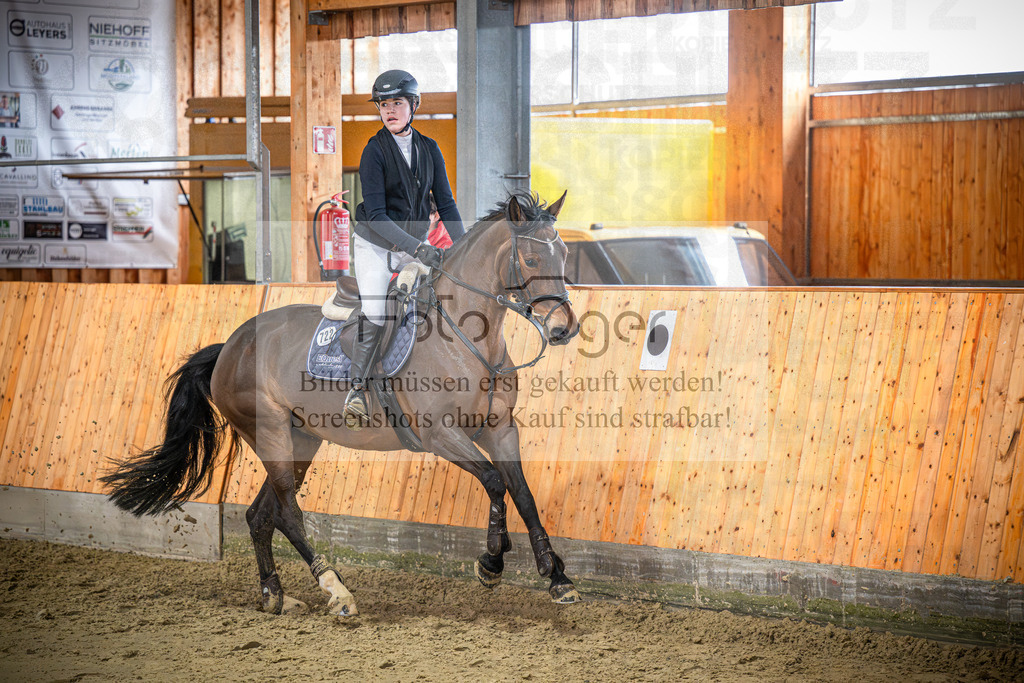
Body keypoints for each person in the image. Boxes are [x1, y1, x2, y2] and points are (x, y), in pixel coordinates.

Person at [344, 69, 465, 424]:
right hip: (376, 247)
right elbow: (377, 216)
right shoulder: (374, 151)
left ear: (413, 105)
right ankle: (357, 391)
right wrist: (418, 248)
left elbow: (447, 204)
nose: (389, 110)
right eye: (383, 105)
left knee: (439, 299)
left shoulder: (430, 148)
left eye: (397, 103)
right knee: (376, 311)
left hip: (414, 245)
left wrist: (462, 247)